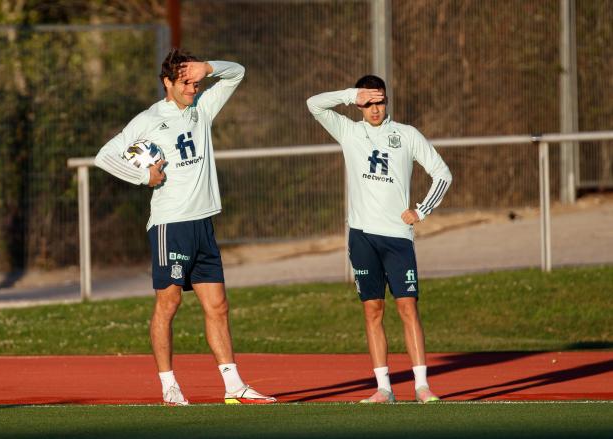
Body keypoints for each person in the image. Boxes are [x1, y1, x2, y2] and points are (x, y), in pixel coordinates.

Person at [95, 49, 275, 406]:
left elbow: (237, 72)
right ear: (167, 83)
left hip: (203, 223)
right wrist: (143, 175)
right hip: (170, 224)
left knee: (218, 306)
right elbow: (105, 155)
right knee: (169, 302)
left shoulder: (201, 109)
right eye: (186, 83)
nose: (193, 88)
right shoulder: (148, 119)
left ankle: (234, 386)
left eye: (196, 82)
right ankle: (169, 386)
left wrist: (207, 68)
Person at [306, 75, 452, 404]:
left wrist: (421, 210)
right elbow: (313, 104)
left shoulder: (407, 135)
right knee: (373, 310)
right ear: (361, 104)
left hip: (398, 238)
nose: (375, 108)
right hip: (361, 237)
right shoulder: (349, 131)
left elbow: (442, 173)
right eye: (369, 102)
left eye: (380, 101)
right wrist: (349, 95)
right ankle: (384, 388)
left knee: (407, 307)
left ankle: (421, 386)